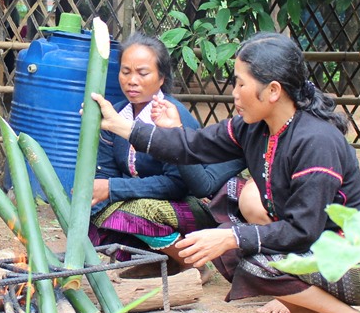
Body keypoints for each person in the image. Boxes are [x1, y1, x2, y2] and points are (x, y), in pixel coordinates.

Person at [91, 32, 360, 313]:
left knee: (251, 259)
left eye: (240, 84)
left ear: (273, 91)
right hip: (317, 245)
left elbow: (302, 228)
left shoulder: (316, 141)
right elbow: (192, 146)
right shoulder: (253, 128)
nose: (234, 94)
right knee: (235, 228)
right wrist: (125, 128)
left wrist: (231, 237)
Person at [89, 33, 245, 269]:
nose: (132, 80)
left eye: (142, 73)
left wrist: (112, 189)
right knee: (91, 213)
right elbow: (107, 172)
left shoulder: (173, 116)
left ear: (161, 78)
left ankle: (192, 262)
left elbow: (178, 184)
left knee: (133, 214)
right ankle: (161, 261)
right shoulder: (116, 115)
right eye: (125, 71)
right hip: (149, 199)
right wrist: (98, 192)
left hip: (193, 202)